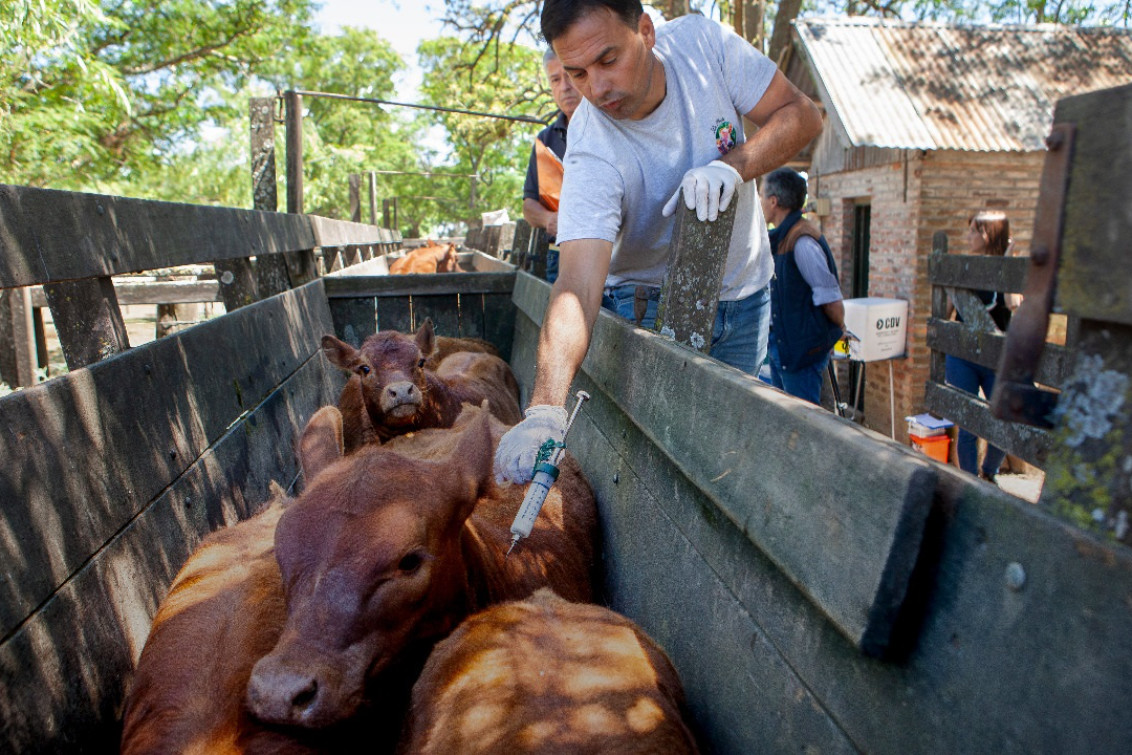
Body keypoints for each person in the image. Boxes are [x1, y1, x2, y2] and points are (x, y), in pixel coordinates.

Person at [494, 0, 823, 484]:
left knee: (731, 461)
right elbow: (578, 285)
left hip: (746, 294)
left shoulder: (703, 47)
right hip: (644, 308)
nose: (597, 88)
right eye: (576, 73)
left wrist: (733, 167)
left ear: (645, 31)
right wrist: (544, 408)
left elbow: (803, 114)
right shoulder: (590, 145)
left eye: (608, 60)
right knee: (659, 475)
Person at [759, 167, 844, 405]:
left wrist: (838, 327)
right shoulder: (783, 237)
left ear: (773, 201)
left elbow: (831, 300)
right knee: (785, 420)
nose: (760, 202)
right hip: (784, 348)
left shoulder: (802, 241)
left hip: (802, 353)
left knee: (803, 424)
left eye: (762, 196)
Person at [946, 210, 1014, 481]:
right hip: (963, 354)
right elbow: (945, 312)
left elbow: (1014, 304)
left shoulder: (1008, 269)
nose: (968, 236)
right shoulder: (965, 267)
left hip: (995, 356)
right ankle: (970, 482)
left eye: (973, 231)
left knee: (1006, 420)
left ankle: (988, 473)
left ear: (988, 235)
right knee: (968, 423)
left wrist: (1008, 264)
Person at [522, 48, 582, 283]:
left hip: (612, 259)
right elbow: (529, 205)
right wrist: (550, 220)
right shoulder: (545, 141)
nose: (564, 87)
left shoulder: (610, 125)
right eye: (555, 79)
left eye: (570, 75)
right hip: (559, 257)